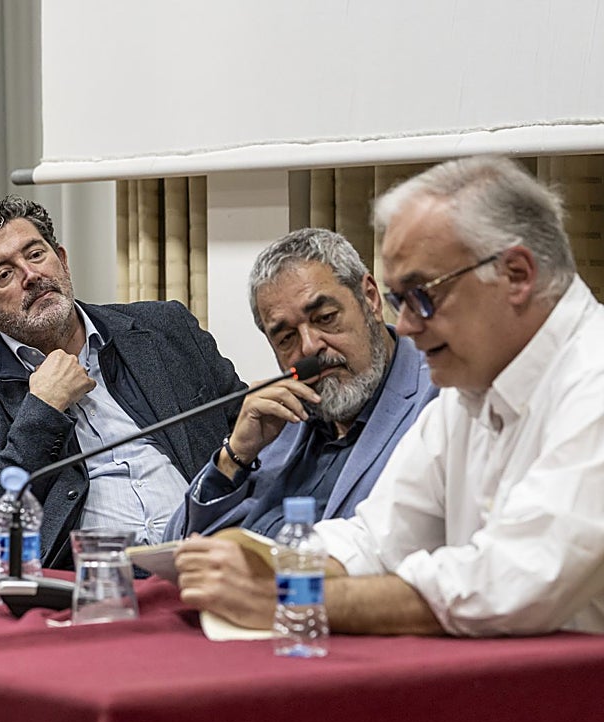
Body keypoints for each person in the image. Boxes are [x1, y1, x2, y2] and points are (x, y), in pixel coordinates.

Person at [177, 155, 604, 636]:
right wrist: (255, 566)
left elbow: (508, 583)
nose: (406, 326)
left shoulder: (593, 379)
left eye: (423, 296)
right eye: (401, 301)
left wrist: (292, 595)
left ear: (517, 275)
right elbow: (375, 539)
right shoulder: (470, 390)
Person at [0, 195, 244, 569]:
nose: (31, 276)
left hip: (214, 556)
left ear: (62, 260)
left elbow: (247, 426)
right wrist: (42, 412)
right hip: (90, 580)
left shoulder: (165, 328)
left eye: (36, 254)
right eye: (4, 275)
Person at [165, 228, 436, 541]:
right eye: (286, 337)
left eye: (325, 317)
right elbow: (176, 543)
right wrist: (235, 455)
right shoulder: (281, 421)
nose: (309, 347)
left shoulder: (437, 396)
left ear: (370, 299)